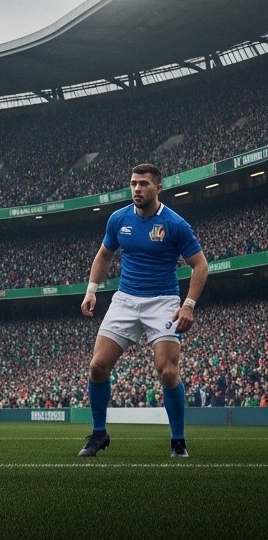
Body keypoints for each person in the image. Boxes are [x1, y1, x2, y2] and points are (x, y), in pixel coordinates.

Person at [78, 163, 208, 459]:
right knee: (97, 366)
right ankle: (99, 434)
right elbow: (104, 255)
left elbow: (200, 265)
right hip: (125, 299)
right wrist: (91, 290)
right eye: (134, 183)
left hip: (162, 301)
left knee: (167, 371)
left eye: (144, 184)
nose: (137, 189)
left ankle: (178, 440)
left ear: (158, 188)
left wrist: (188, 305)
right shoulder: (118, 219)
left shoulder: (175, 224)